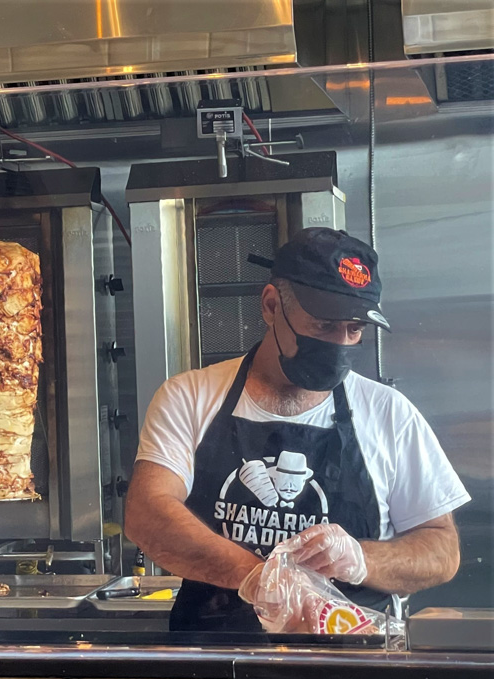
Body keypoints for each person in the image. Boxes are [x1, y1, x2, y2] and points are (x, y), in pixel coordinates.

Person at [124, 228, 470, 632]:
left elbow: (441, 549)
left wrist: (360, 559)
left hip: (355, 663)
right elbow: (147, 513)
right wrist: (258, 579)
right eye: (324, 325)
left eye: (355, 329)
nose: (341, 343)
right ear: (271, 306)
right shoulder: (190, 396)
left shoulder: (389, 414)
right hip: (215, 662)